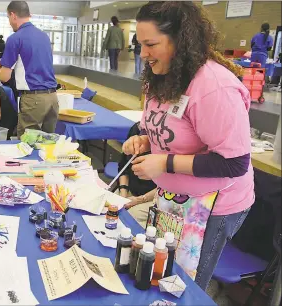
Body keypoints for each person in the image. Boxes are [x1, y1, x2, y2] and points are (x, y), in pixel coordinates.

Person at [123, 2, 252, 291]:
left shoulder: (213, 87)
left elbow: (233, 163)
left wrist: (165, 162)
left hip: (212, 206)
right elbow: (171, 130)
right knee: (160, 273)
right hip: (173, 198)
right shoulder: (161, 76)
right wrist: (146, 141)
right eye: (140, 44)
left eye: (150, 44)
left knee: (183, 285)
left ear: (180, 40)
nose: (143, 54)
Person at [0, 1, 59, 138]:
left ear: (13, 15)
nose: (9, 22)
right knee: (46, 145)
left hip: (33, 100)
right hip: (52, 98)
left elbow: (4, 77)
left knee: (26, 145)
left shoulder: (15, 38)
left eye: (8, 18)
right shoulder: (44, 37)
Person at [117, 122, 157, 227]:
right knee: (108, 207)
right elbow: (123, 167)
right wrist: (123, 192)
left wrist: (139, 200)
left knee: (128, 218)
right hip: (130, 190)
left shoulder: (168, 140)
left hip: (154, 197)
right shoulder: (136, 129)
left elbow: (168, 185)